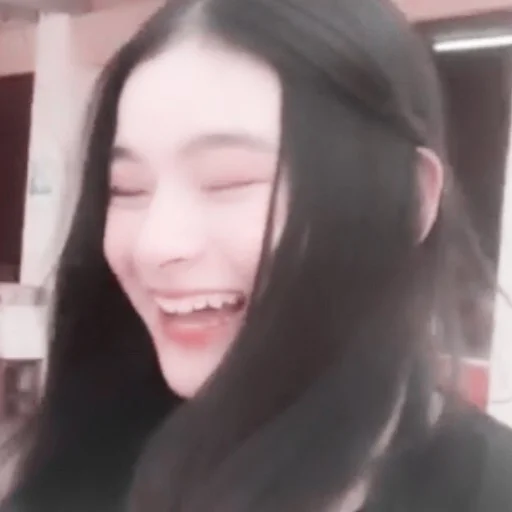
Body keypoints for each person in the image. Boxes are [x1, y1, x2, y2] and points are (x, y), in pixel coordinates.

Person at [3, 0, 512, 510]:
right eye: (127, 188)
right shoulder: (84, 461)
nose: (154, 245)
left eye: (229, 180)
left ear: (409, 199)